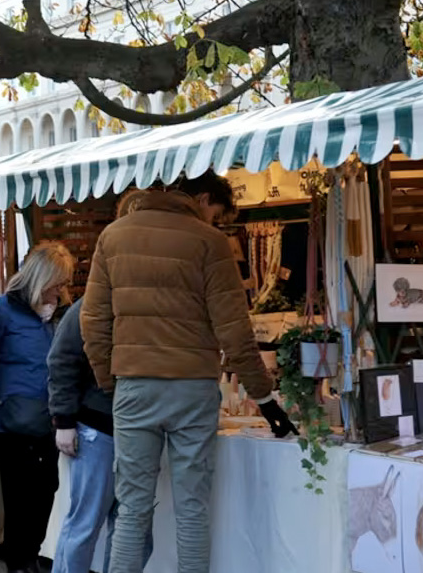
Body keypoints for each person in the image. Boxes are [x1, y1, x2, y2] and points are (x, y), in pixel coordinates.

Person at [81, 170, 297, 573]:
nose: (215, 222)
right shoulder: (209, 241)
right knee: (192, 508)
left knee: (132, 509)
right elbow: (234, 330)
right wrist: (264, 398)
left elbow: (93, 321)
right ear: (202, 199)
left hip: (134, 386)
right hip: (193, 388)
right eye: (215, 213)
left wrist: (110, 380)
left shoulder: (114, 236)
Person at [49, 297, 153, 573]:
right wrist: (64, 420)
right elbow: (61, 361)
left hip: (136, 428)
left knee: (133, 529)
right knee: (87, 525)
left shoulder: (149, 299)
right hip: (99, 427)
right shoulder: (90, 305)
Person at [0, 241, 74, 573]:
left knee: (46, 489)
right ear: (41, 278)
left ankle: (29, 557)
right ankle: (20, 562)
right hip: (14, 420)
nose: (61, 290)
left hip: (50, 417)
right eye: (57, 282)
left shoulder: (62, 313)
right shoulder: (3, 311)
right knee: (20, 496)